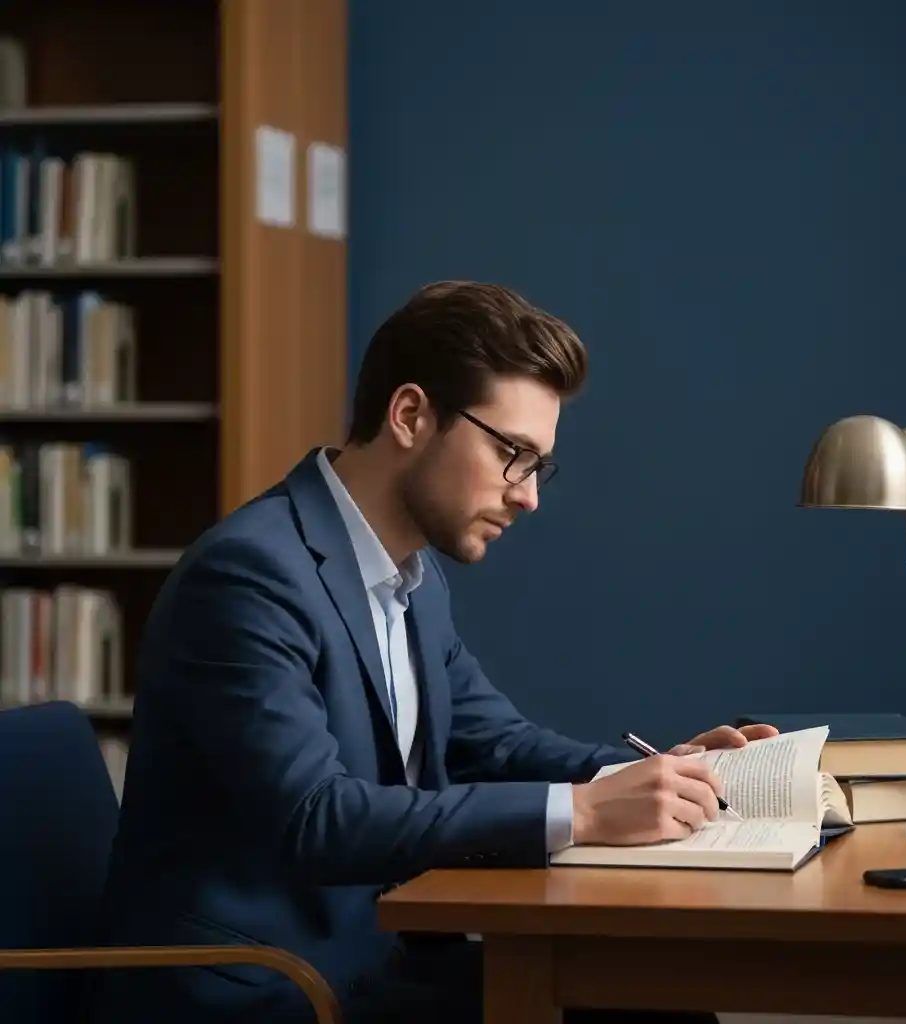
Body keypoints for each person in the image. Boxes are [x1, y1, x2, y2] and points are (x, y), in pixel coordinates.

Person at [91, 281, 777, 1024]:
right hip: (267, 986)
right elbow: (315, 818)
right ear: (411, 415)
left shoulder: (412, 577)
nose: (529, 496)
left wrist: (653, 777)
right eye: (513, 453)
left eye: (538, 465)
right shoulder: (249, 575)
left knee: (656, 999)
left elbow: (496, 743)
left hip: (377, 958)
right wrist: (583, 812)